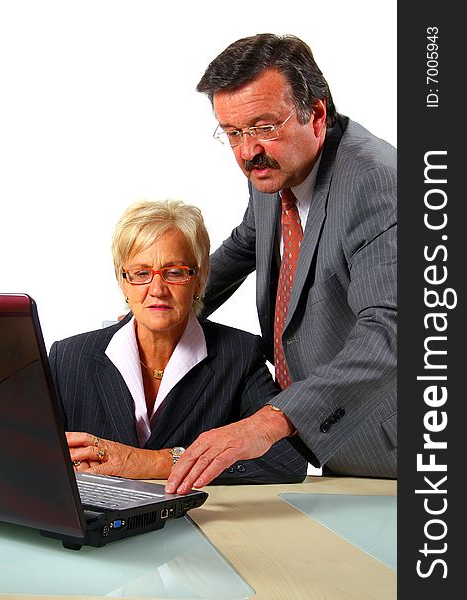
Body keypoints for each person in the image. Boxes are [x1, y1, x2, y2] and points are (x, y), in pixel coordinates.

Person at [165, 33, 396, 495]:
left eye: (263, 126)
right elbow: (246, 244)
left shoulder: (379, 186)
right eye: (232, 133)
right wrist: (166, 305)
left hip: (393, 451)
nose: (248, 151)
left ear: (316, 115)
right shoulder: (275, 168)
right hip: (335, 452)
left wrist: (269, 422)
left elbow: (392, 331)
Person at [48, 199, 307, 483]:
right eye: (141, 273)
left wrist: (156, 463)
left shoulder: (239, 355)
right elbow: (33, 457)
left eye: (175, 272)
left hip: (199, 522)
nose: (157, 289)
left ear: (199, 280)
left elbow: (287, 460)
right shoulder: (69, 357)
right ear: (123, 281)